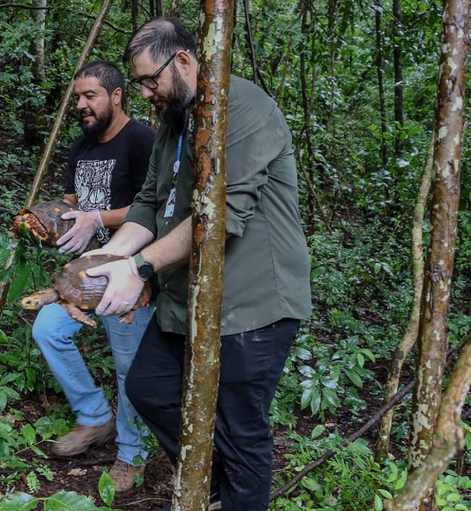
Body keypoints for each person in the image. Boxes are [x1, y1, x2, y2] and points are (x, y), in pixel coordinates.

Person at [84, 18, 312, 511]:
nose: (145, 93)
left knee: (238, 429)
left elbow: (220, 215)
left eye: (150, 80)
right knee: (148, 387)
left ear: (183, 61)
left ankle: (233, 499)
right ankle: (208, 489)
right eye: (141, 82)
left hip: (253, 306)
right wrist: (109, 259)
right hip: (186, 300)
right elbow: (150, 202)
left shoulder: (243, 106)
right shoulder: (173, 123)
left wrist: (140, 268)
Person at [30, 60, 156, 493]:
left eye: (91, 96)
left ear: (117, 95)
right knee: (48, 329)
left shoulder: (142, 141)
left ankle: (132, 455)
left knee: (129, 368)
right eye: (78, 97)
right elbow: (70, 202)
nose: (81, 105)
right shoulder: (80, 146)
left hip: (128, 278)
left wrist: (96, 216)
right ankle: (95, 417)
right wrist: (48, 221)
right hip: (83, 277)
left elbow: (153, 206)